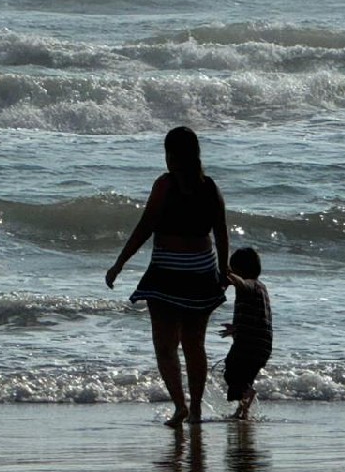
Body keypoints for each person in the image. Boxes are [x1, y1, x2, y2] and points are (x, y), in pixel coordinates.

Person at [106, 126, 229, 427]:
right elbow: (221, 232)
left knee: (165, 346)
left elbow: (145, 226)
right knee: (193, 344)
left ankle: (180, 406)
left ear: (172, 156)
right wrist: (223, 270)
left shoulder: (165, 185)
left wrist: (120, 263)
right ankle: (196, 408)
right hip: (201, 273)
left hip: (167, 274)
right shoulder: (210, 187)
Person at [219, 247, 271, 420]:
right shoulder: (261, 288)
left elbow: (242, 284)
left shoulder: (249, 285)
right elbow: (258, 316)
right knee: (244, 378)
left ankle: (246, 395)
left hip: (248, 345)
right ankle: (243, 411)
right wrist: (236, 328)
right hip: (262, 346)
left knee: (231, 371)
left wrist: (229, 274)